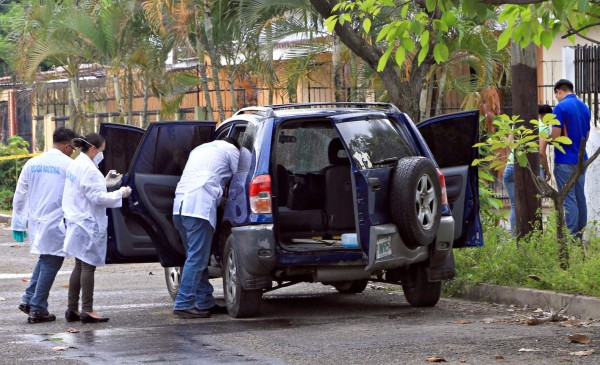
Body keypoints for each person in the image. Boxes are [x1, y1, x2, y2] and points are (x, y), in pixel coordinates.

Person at [62, 133, 132, 324]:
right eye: (101, 150)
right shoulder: (89, 169)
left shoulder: (77, 164)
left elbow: (87, 190)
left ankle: (72, 309)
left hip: (77, 220)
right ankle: (87, 310)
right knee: (88, 266)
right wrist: (120, 193)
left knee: (79, 265)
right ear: (93, 148)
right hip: (87, 223)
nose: (102, 154)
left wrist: (104, 183)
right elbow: (98, 198)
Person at [12, 127, 77, 324]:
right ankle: (38, 307)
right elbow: (82, 191)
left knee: (45, 258)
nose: (74, 151)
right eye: (73, 147)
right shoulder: (68, 165)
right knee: (52, 262)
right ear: (66, 146)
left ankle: (28, 298)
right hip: (56, 222)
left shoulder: (32, 163)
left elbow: (20, 194)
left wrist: (18, 223)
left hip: (37, 221)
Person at [172, 137, 240, 318]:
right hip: (198, 208)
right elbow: (241, 177)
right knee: (197, 259)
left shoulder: (199, 149)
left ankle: (204, 301)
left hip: (180, 207)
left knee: (194, 257)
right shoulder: (231, 150)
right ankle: (184, 303)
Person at [551, 79, 591, 239]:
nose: (556, 98)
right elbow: (586, 136)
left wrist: (547, 139)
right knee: (580, 196)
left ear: (559, 91)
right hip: (581, 159)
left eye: (556, 95)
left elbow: (555, 136)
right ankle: (579, 237)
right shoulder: (584, 106)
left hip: (565, 160)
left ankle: (571, 238)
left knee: (569, 198)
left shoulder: (560, 107)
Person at [502, 105, 552, 235]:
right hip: (534, 169)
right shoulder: (543, 128)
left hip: (512, 166)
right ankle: (533, 237)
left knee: (515, 206)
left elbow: (508, 144)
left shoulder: (518, 124)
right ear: (545, 115)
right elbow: (541, 153)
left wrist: (512, 160)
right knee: (535, 206)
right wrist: (547, 170)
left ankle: (515, 238)